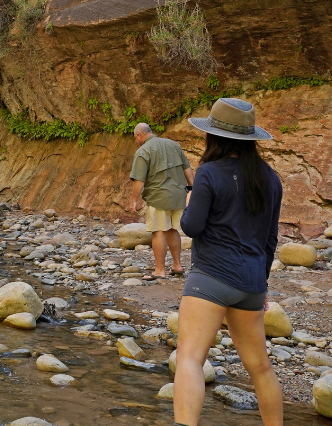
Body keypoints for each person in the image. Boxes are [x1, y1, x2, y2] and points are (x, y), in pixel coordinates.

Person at [173, 98, 283, 426]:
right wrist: (261, 287)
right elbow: (270, 240)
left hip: (210, 279)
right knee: (261, 367)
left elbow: (192, 226)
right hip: (251, 284)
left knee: (190, 359)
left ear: (214, 136)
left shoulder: (208, 173)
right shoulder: (271, 179)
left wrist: (189, 201)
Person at [128, 122, 194, 280]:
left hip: (158, 197)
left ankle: (159, 270)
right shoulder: (174, 145)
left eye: (135, 138)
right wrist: (192, 189)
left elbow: (139, 180)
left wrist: (133, 200)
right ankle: (177, 265)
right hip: (178, 195)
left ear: (139, 135)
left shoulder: (143, 151)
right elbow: (187, 169)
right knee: (172, 230)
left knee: (158, 232)